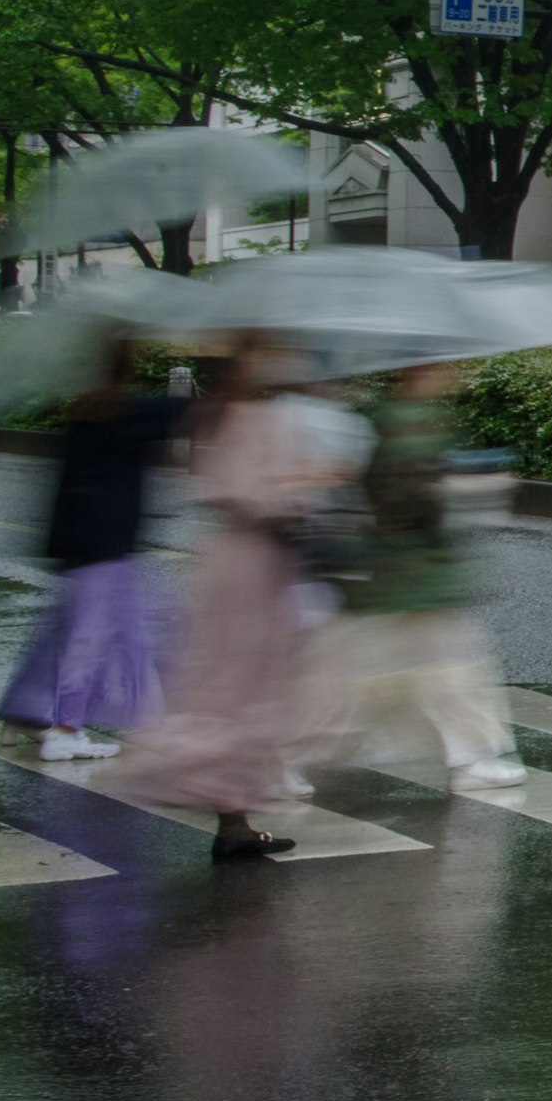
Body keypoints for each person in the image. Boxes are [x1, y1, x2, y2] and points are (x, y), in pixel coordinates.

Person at [114, 338, 350, 862]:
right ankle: (228, 810)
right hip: (256, 565)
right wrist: (308, 488)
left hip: (231, 562)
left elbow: (222, 487)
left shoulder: (212, 416)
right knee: (246, 686)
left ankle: (235, 820)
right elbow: (257, 497)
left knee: (228, 684)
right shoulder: (256, 418)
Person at [331, 358, 524, 790]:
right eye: (448, 367)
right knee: (452, 666)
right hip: (416, 570)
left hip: (401, 569)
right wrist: (467, 490)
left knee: (383, 667)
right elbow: (412, 496)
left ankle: (307, 746)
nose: (457, 375)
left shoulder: (393, 415)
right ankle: (472, 759)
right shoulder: (412, 420)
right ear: (423, 370)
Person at [1, 338, 179, 761]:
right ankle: (65, 729)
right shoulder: (121, 410)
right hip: (105, 545)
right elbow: (178, 414)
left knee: (66, 634)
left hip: (80, 546)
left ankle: (26, 712)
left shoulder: (85, 409)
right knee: (92, 640)